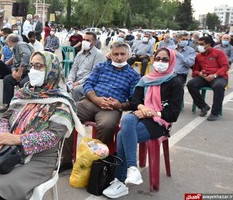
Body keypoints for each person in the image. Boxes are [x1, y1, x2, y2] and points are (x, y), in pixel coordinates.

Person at [0, 50, 84, 200]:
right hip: (8, 150)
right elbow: (6, 117)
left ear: (51, 70)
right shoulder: (24, 93)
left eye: (39, 66)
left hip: (38, 159)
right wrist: (1, 137)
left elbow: (52, 137)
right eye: (32, 66)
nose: (34, 70)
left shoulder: (61, 103)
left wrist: (17, 139)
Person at [102, 48, 184, 199]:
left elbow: (173, 114)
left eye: (165, 59)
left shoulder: (175, 83)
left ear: (172, 61)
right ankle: (132, 168)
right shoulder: (146, 79)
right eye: (158, 58)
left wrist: (152, 112)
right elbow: (134, 101)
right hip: (141, 115)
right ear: (153, 59)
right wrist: (143, 108)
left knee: (121, 134)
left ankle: (120, 180)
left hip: (160, 122)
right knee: (127, 120)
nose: (160, 62)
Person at [60, 42, 141, 172]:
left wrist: (120, 105)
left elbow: (134, 101)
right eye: (116, 54)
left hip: (111, 109)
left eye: (122, 54)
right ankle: (66, 159)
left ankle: (96, 163)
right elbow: (88, 84)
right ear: (110, 55)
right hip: (90, 102)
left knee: (107, 126)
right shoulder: (101, 67)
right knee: (67, 116)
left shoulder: (134, 75)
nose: (119, 57)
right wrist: (96, 99)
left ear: (128, 55)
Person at [187, 36, 229, 121]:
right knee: (191, 84)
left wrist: (214, 75)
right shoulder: (198, 56)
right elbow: (195, 70)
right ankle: (203, 106)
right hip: (204, 77)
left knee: (218, 86)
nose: (199, 46)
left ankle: (215, 113)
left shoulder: (218, 53)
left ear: (208, 45)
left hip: (218, 77)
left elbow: (225, 66)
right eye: (199, 44)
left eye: (202, 44)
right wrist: (200, 74)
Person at [0, 34, 34, 113]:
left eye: (7, 43)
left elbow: (26, 57)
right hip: (20, 72)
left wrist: (20, 71)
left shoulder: (21, 45)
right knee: (7, 79)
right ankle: (8, 105)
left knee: (23, 83)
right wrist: (14, 72)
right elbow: (14, 64)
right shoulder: (14, 49)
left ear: (9, 42)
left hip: (30, 71)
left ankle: (23, 107)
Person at [67, 32, 106, 101]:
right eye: (84, 39)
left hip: (88, 83)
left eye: (88, 40)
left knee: (76, 90)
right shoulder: (79, 54)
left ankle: (75, 109)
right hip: (76, 80)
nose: (85, 42)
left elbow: (94, 74)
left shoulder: (98, 55)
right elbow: (73, 69)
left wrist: (78, 83)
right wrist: (70, 80)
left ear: (94, 42)